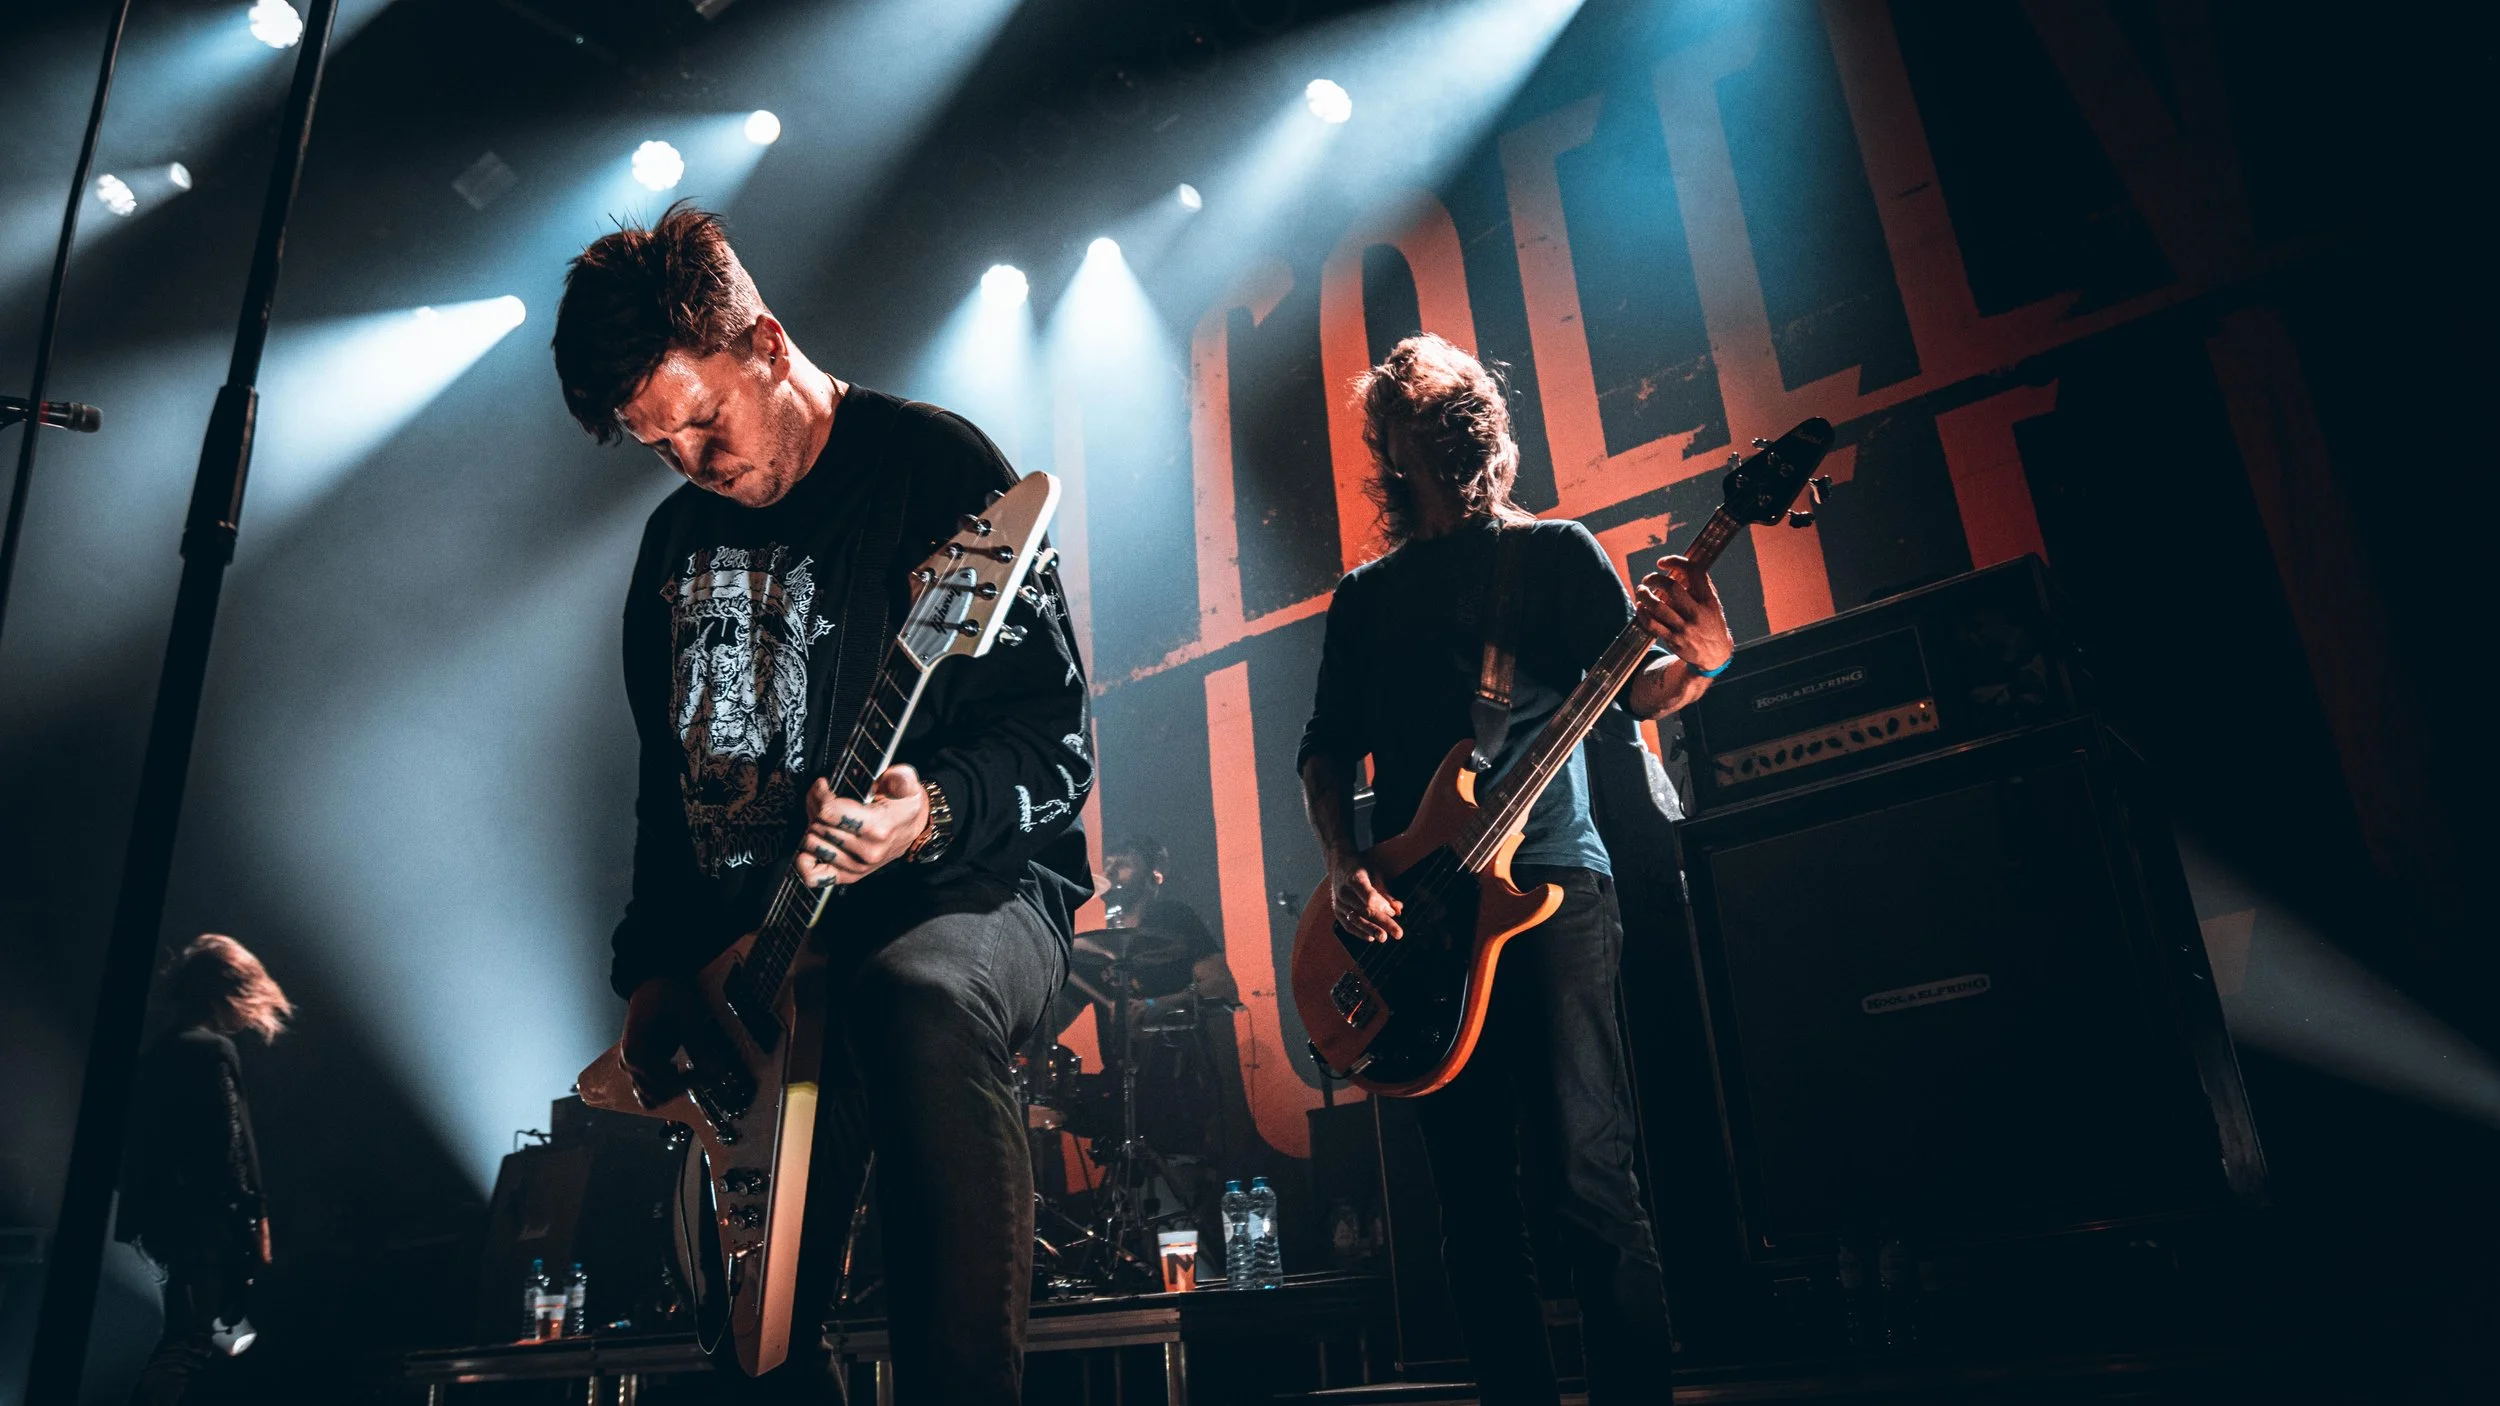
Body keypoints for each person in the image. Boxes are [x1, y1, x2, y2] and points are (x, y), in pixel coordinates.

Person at [551, 204, 1092, 1404]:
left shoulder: (936, 469)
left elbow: (1052, 743)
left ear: (768, 342)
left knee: (913, 995)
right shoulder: (670, 547)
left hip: (966, 889)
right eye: (659, 445)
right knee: (752, 1349)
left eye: (704, 418)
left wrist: (928, 810)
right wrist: (654, 968)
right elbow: (665, 782)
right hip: (764, 962)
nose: (696, 460)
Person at [1296, 335, 1734, 1404]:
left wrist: (1708, 659)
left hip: (1547, 892)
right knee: (1471, 1201)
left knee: (1585, 1169)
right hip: (1414, 911)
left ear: (1482, 429)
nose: (1437, 427)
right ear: (1388, 445)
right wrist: (1345, 864)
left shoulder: (1553, 555)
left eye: (1455, 410)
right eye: (1411, 412)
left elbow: (1634, 695)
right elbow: (1323, 746)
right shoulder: (1367, 595)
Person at [119, 934, 290, 1406]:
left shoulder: (159, 1053)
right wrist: (257, 1222)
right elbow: (232, 1147)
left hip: (162, 1223)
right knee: (188, 1346)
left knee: (187, 1339)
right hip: (205, 1226)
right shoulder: (212, 1050)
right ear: (226, 991)